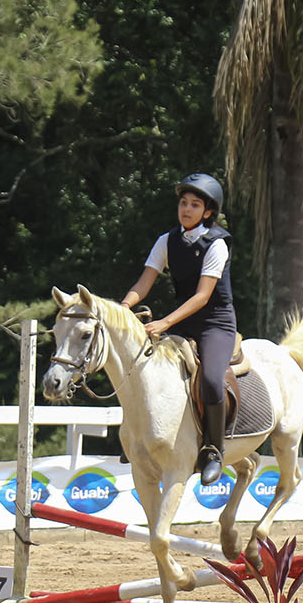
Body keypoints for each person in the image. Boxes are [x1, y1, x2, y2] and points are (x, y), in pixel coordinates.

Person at [120, 173, 236, 486]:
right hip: (183, 322)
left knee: (211, 380)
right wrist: (122, 308)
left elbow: (202, 296)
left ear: (208, 212)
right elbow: (143, 284)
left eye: (194, 205)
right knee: (139, 365)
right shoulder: (166, 240)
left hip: (215, 324)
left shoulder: (217, 244)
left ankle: (214, 450)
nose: (186, 209)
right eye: (183, 203)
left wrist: (164, 323)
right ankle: (137, 436)